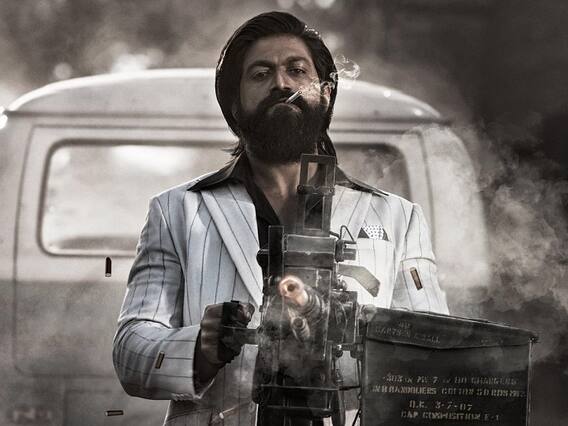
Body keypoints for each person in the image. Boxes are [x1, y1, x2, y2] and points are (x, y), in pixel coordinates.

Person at [112, 11, 449, 426]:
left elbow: (435, 355)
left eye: (297, 70)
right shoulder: (177, 211)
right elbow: (130, 352)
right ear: (233, 102)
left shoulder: (398, 218)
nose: (282, 84)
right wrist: (201, 347)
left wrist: (357, 338)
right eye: (260, 74)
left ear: (326, 93)